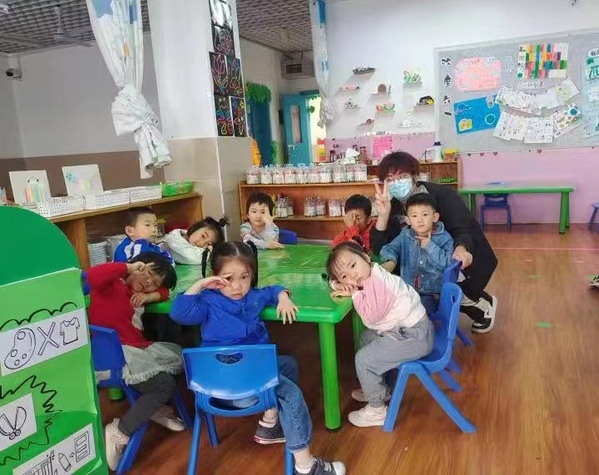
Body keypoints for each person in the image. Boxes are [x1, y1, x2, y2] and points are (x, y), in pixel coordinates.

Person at [170, 242, 345, 475]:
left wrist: (283, 296)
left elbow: (273, 290)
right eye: (228, 278)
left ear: (252, 275)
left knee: (288, 364)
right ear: (215, 276)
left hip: (212, 388)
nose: (237, 286)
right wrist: (202, 284)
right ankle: (306, 466)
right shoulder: (208, 301)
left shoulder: (252, 296)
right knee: (291, 394)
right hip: (242, 390)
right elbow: (178, 313)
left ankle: (270, 424)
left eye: (244, 277)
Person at [370, 151, 498, 333]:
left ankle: (484, 305)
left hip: (456, 254)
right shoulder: (393, 205)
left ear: (414, 176)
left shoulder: (442, 195)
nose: (396, 183)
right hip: (421, 266)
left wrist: (461, 248)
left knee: (456, 292)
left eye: (402, 176)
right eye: (390, 179)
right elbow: (381, 248)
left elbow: (463, 228)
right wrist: (383, 216)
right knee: (427, 292)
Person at [86, 252, 183, 471]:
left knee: (180, 357)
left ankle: (152, 408)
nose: (148, 282)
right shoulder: (110, 283)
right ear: (135, 265)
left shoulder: (136, 293)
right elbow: (93, 276)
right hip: (114, 355)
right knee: (163, 384)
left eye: (154, 283)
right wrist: (127, 268)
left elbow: (167, 292)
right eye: (146, 272)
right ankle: (120, 431)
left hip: (133, 349)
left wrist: (151, 295)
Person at [326, 242, 434, 428]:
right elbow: (334, 279)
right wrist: (339, 283)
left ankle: (377, 410)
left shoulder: (378, 284)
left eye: (353, 265)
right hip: (409, 331)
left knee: (364, 361)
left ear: (365, 257)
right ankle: (379, 389)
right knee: (366, 338)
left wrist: (355, 295)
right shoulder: (372, 273)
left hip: (416, 336)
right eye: (344, 276)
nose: (352, 275)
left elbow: (370, 317)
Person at [379, 193, 454, 315]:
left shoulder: (444, 238)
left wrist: (430, 246)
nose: (420, 220)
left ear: (435, 217)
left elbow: (450, 264)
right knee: (387, 309)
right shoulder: (405, 235)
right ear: (408, 220)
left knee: (416, 313)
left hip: (433, 294)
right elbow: (390, 248)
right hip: (407, 291)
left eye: (425, 215)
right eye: (414, 216)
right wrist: (390, 261)